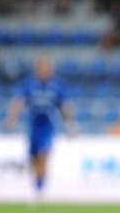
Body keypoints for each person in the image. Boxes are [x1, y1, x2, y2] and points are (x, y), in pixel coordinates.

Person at [5, 58, 76, 199]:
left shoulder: (57, 86)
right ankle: (37, 182)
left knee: (44, 156)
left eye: (47, 68)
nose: (45, 71)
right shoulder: (29, 84)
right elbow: (19, 101)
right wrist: (12, 118)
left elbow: (65, 106)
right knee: (34, 159)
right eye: (42, 68)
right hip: (33, 126)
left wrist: (70, 125)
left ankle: (40, 189)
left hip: (48, 126)